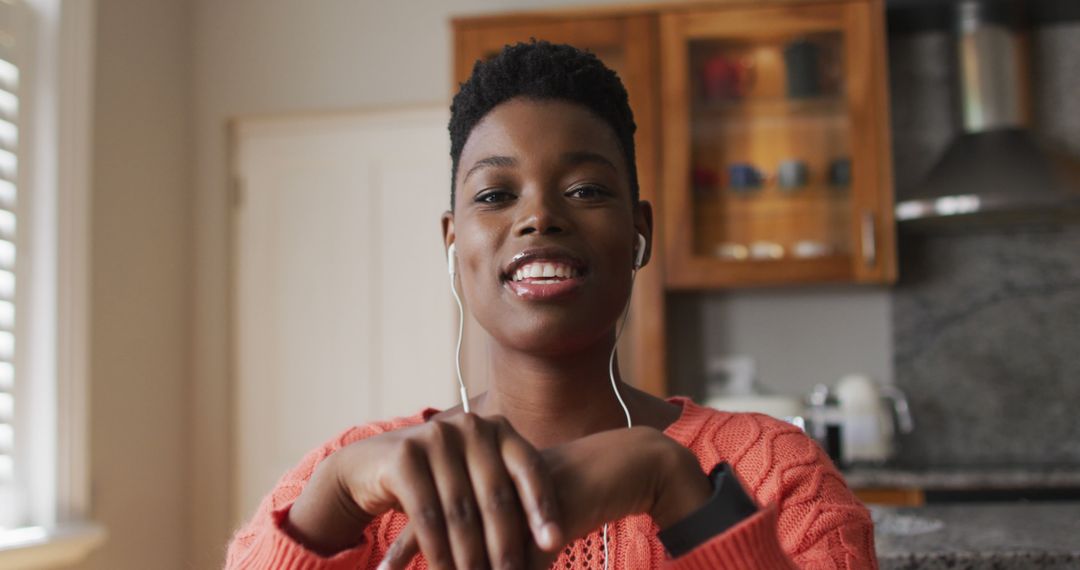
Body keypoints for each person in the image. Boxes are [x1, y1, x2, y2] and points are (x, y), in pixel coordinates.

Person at [224, 40, 877, 569]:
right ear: (453, 242)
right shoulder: (356, 480)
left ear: (638, 231)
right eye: (494, 195)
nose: (539, 216)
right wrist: (333, 496)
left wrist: (673, 487)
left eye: (587, 189)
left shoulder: (777, 472)